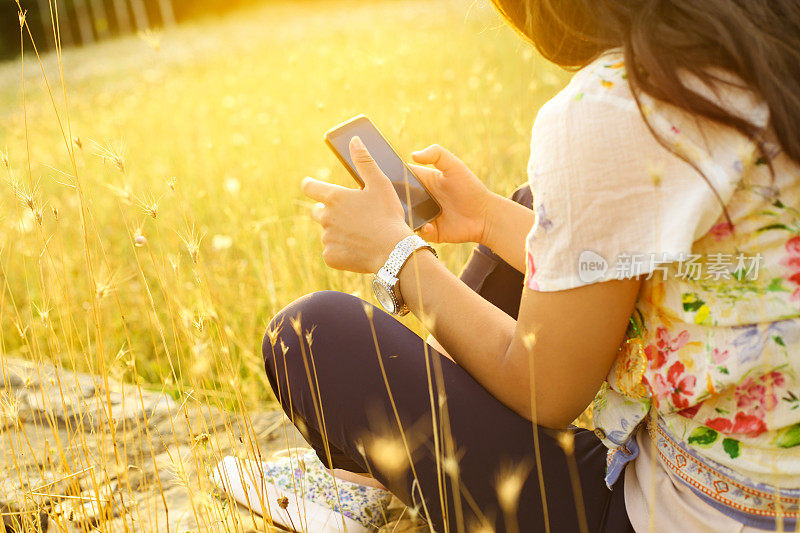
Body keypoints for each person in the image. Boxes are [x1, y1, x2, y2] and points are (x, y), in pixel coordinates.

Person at [255, 1, 800, 531]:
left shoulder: (616, 103)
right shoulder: (769, 44)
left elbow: (547, 393)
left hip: (686, 517)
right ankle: (371, 477)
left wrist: (395, 255)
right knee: (533, 207)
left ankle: (360, 480)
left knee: (307, 337)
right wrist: (490, 218)